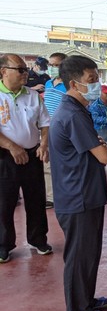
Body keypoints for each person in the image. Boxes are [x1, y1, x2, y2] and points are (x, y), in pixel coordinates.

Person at [49, 55, 107, 311]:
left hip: (84, 194)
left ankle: (86, 300)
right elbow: (104, 156)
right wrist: (105, 148)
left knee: (88, 253)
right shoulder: (73, 114)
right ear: (74, 84)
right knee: (78, 257)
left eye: (97, 78)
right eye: (91, 80)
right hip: (79, 197)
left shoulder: (77, 111)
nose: (97, 84)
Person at [0, 54, 51, 263]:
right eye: (20, 69)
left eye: (25, 69)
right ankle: (3, 245)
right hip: (5, 156)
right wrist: (12, 147)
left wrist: (44, 144)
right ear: (4, 71)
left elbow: (44, 122)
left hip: (32, 154)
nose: (26, 73)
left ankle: (38, 239)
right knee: (4, 203)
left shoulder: (32, 95)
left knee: (36, 199)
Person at [43, 52, 68, 208]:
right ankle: (50, 197)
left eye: (56, 65)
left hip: (62, 129)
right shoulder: (48, 84)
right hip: (46, 129)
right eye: (50, 65)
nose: (52, 68)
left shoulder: (69, 85)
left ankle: (64, 193)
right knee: (47, 163)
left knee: (63, 163)